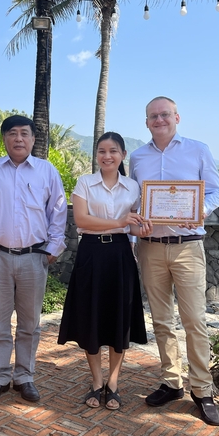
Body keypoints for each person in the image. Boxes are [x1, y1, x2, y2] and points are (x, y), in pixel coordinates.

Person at [129, 96, 219, 426]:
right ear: (146, 123)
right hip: (151, 247)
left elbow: (216, 191)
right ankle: (172, 383)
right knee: (161, 320)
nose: (159, 120)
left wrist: (201, 210)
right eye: (153, 116)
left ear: (177, 117)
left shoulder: (198, 149)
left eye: (164, 114)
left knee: (195, 321)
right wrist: (134, 236)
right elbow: (137, 201)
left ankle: (202, 389)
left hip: (187, 247)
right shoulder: (138, 157)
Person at [57, 132, 151, 410]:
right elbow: (81, 219)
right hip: (91, 253)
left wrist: (143, 228)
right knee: (92, 316)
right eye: (101, 151)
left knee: (118, 317)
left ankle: (113, 382)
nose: (107, 156)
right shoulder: (85, 183)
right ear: (96, 155)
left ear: (122, 155)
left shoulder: (133, 187)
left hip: (120, 254)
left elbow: (132, 225)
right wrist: (120, 221)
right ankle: (96, 381)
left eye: (113, 151)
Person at [0, 115, 67, 406]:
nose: (19, 139)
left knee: (30, 323)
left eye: (24, 134)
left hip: (34, 257)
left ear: (33, 139)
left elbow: (58, 211)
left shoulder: (46, 171)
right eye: (13, 134)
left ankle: (25, 376)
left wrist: (55, 246)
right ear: (4, 138)